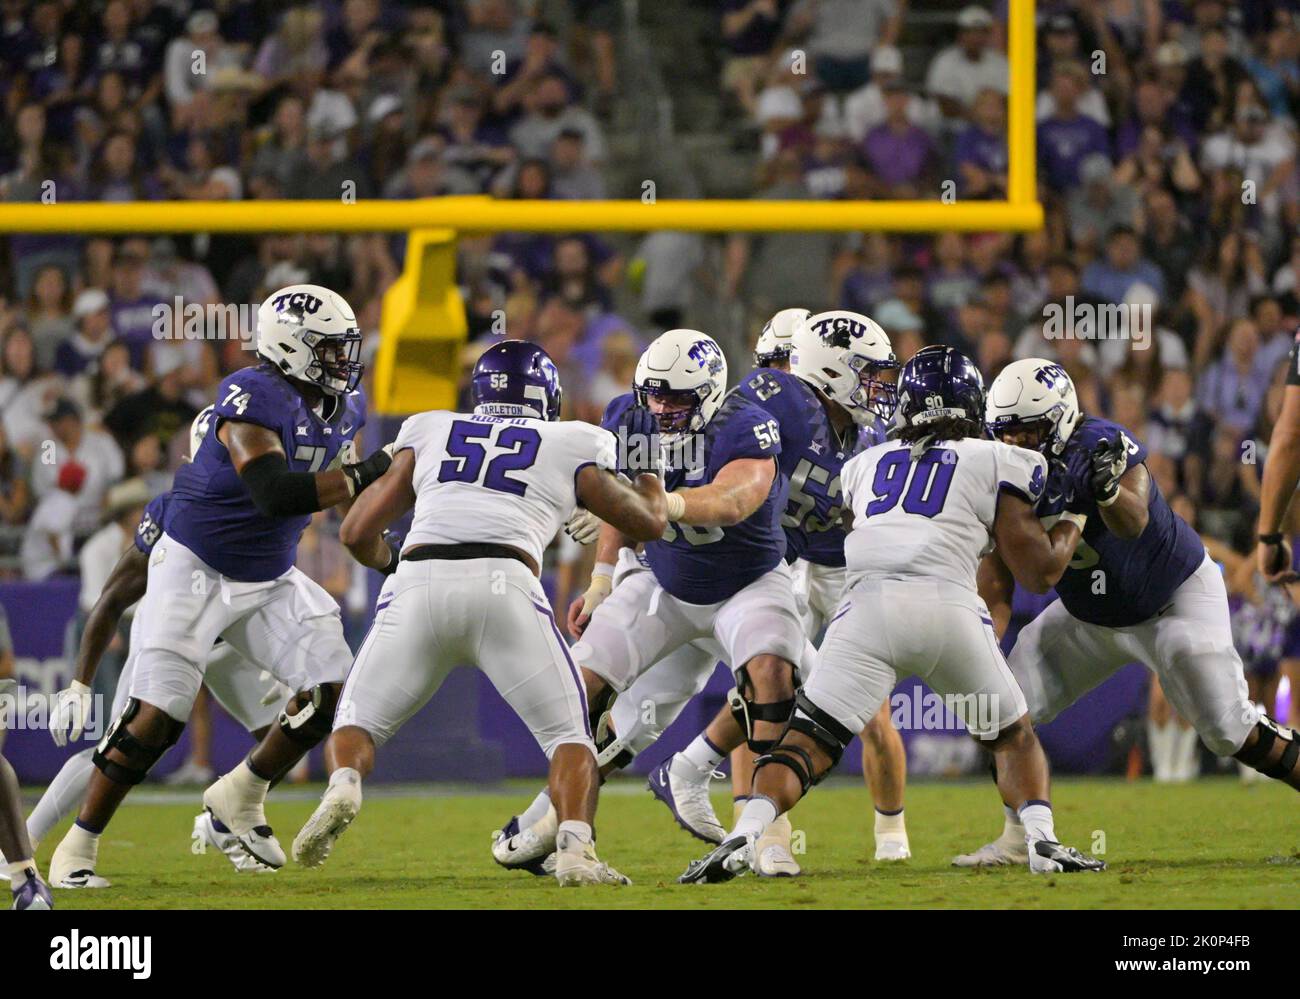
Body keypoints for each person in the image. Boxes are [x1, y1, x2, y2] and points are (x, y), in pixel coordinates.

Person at [681, 345, 1103, 883]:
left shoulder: (862, 465)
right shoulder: (1000, 459)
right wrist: (1074, 515)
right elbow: (1039, 573)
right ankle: (1042, 841)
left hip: (864, 610)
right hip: (945, 606)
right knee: (1012, 736)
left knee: (805, 741)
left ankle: (745, 836)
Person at [45, 284, 394, 887]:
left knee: (335, 692)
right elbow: (274, 492)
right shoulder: (253, 396)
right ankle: (75, 849)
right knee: (157, 718)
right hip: (195, 571)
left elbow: (343, 496)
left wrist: (390, 543)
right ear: (291, 348)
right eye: (331, 349)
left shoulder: (347, 408)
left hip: (270, 576)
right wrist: (368, 473)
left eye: (346, 347)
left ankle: (241, 794)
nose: (344, 360)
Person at [292, 341, 668, 886]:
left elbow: (354, 532)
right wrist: (646, 479)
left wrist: (394, 560)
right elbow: (648, 523)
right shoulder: (572, 439)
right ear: (546, 396)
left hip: (419, 577)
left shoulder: (431, 428)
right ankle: (575, 851)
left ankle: (344, 784)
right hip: (506, 582)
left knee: (357, 723)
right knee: (570, 737)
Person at [956, 358, 1296, 869]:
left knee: (1229, 730)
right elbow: (1002, 575)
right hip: (1089, 617)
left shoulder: (1101, 444)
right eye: (1006, 433)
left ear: (1062, 419)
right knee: (1000, 707)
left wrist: (1108, 491)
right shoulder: (999, 469)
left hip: (1172, 600)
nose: (1016, 446)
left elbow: (1134, 522)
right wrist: (983, 646)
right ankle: (1015, 837)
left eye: (1030, 432)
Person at [492, 328, 805, 876]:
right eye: (653, 394)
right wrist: (603, 578)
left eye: (676, 397)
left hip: (746, 585)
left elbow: (737, 498)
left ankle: (768, 832)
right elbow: (619, 504)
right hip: (663, 583)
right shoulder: (628, 416)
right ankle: (557, 829)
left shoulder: (746, 422)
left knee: (775, 680)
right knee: (580, 692)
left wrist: (667, 505)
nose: (660, 407)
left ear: (708, 393)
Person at [647, 308, 912, 874]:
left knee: (870, 711)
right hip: (779, 559)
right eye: (773, 360)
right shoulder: (779, 400)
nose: (773, 371)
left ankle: (891, 833)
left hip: (842, 568)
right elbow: (708, 435)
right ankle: (764, 836)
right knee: (766, 688)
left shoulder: (872, 428)